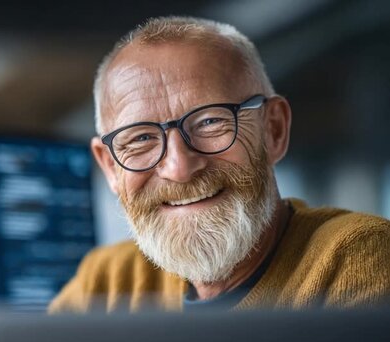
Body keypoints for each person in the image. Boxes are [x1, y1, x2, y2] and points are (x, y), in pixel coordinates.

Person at [49, 16, 390, 313]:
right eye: (140, 138)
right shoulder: (106, 284)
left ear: (273, 129)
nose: (179, 168)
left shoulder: (358, 258)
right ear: (110, 167)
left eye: (210, 122)